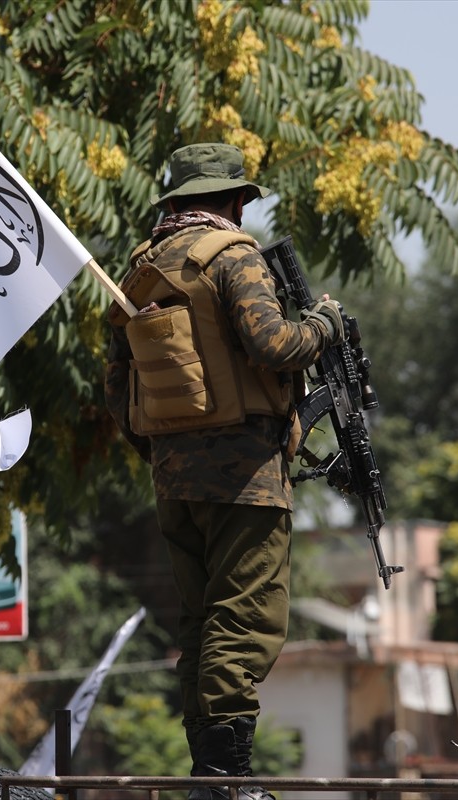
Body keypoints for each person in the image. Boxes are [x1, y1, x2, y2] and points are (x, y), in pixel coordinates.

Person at [104, 143, 345, 800]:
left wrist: (162, 457)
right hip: (245, 479)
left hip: (175, 482)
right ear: (235, 201)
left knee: (201, 620)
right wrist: (323, 325)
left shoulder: (140, 270)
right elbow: (274, 344)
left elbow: (116, 388)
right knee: (245, 618)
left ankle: (208, 776)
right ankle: (224, 780)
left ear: (176, 202)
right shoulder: (233, 256)